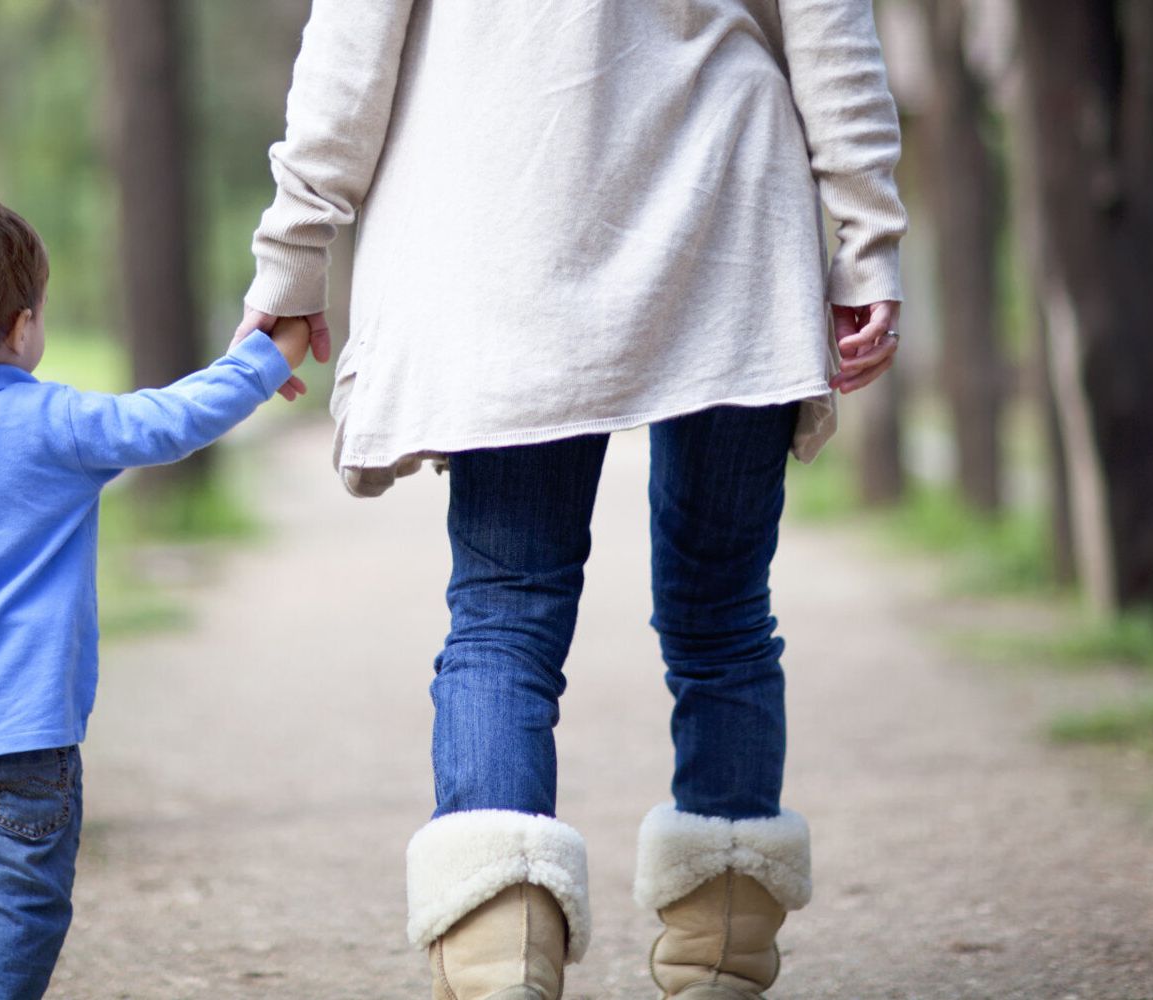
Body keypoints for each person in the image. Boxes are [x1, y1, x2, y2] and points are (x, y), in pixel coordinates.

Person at [237, 1, 908, 997]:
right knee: (722, 613)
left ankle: (498, 961)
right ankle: (719, 953)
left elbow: (350, 47)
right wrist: (865, 234)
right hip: (724, 208)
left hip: (510, 212)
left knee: (503, 609)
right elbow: (826, 25)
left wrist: (292, 252)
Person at [0, 187, 309, 1000]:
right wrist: (267, 357)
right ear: (21, 327)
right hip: (22, 738)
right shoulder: (53, 423)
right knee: (20, 902)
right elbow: (169, 421)